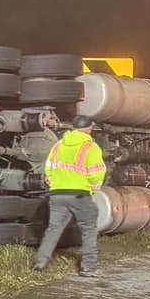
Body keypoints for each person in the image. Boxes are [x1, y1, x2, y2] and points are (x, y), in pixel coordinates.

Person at [33, 117, 108, 276]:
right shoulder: (90, 147)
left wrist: (55, 184)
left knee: (53, 229)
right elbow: (97, 173)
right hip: (80, 195)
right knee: (88, 230)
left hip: (57, 194)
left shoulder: (58, 145)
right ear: (89, 129)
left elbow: (49, 170)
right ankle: (89, 267)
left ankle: (40, 262)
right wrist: (92, 189)